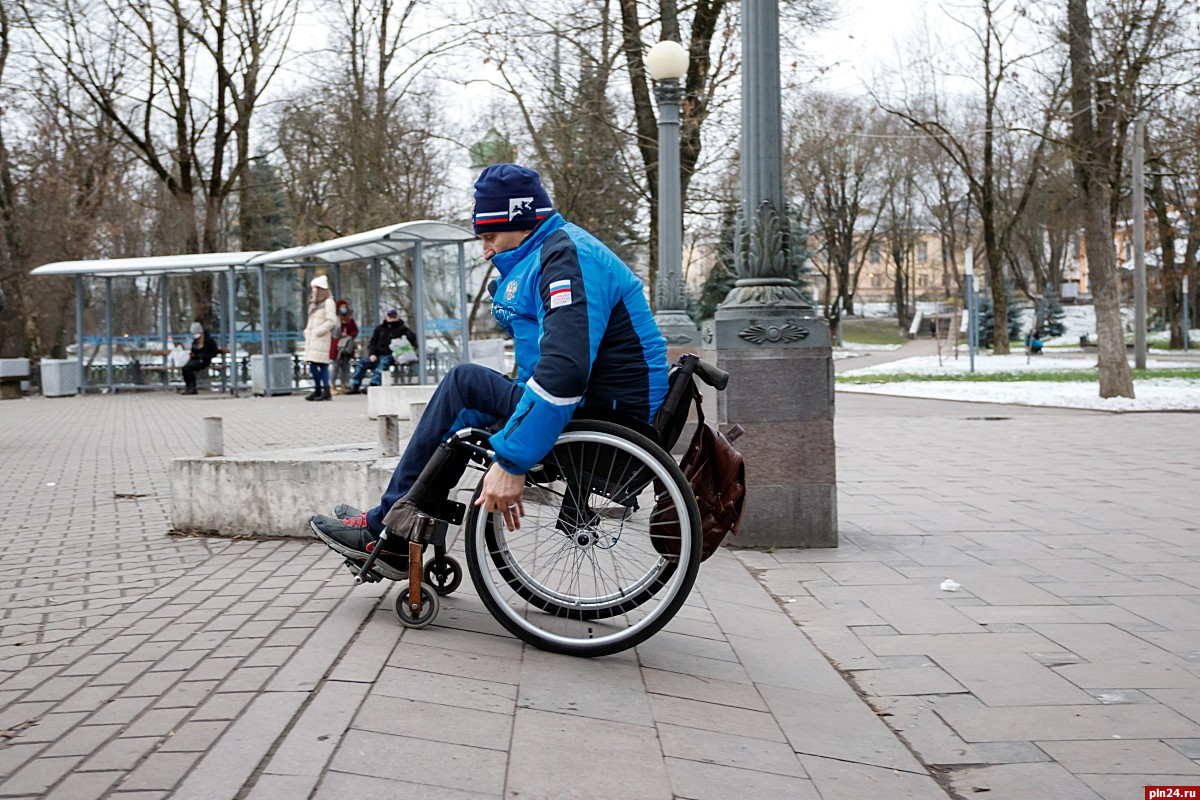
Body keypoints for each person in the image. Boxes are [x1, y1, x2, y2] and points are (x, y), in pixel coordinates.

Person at [310, 163, 668, 567]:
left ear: (522, 219)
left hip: (609, 414)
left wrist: (512, 460)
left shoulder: (568, 258)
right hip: (603, 404)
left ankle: (384, 532)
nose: (485, 250)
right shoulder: (554, 251)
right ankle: (394, 529)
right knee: (468, 409)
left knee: (464, 383)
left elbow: (565, 372)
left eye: (490, 236)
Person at [345, 309, 417, 394]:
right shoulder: (379, 329)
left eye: (394, 317)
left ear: (397, 317)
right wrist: (372, 354)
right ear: (386, 317)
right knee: (362, 363)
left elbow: (413, 339)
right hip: (377, 355)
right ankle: (355, 385)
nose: (392, 319)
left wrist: (403, 337)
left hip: (392, 355)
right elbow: (373, 343)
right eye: (390, 317)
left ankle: (373, 385)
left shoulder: (402, 329)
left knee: (383, 362)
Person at [303, 275, 337, 401]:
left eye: (315, 288)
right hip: (312, 339)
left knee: (321, 364)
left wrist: (318, 331)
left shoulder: (328, 302)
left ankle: (324, 390)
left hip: (321, 338)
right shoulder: (315, 304)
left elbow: (332, 321)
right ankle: (319, 390)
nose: (313, 290)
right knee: (313, 364)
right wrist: (307, 331)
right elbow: (311, 321)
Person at [180, 321, 219, 395]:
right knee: (185, 368)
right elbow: (194, 350)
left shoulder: (208, 340)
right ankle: (189, 387)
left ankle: (192, 388)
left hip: (204, 360)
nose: (195, 335)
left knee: (188, 368)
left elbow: (214, 351)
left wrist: (205, 357)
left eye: (196, 333)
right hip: (196, 359)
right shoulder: (196, 341)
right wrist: (192, 354)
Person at [330, 299, 359, 393]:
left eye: (345, 307)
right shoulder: (335, 320)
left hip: (347, 345)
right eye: (342, 307)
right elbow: (332, 332)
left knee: (345, 366)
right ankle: (332, 385)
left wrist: (350, 336)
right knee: (335, 366)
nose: (344, 309)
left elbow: (355, 330)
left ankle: (344, 385)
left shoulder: (350, 320)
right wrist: (339, 335)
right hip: (337, 346)